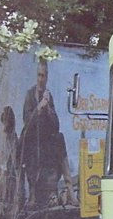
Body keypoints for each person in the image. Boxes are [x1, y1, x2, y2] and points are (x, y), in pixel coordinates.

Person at [20, 58, 73, 208]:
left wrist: (48, 108)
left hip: (46, 139)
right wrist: (39, 107)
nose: (41, 79)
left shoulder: (48, 96)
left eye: (44, 75)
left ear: (47, 77)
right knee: (32, 151)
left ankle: (60, 190)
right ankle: (32, 195)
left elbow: (55, 125)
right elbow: (27, 120)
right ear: (36, 76)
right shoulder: (30, 95)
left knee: (59, 142)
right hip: (32, 138)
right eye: (39, 75)